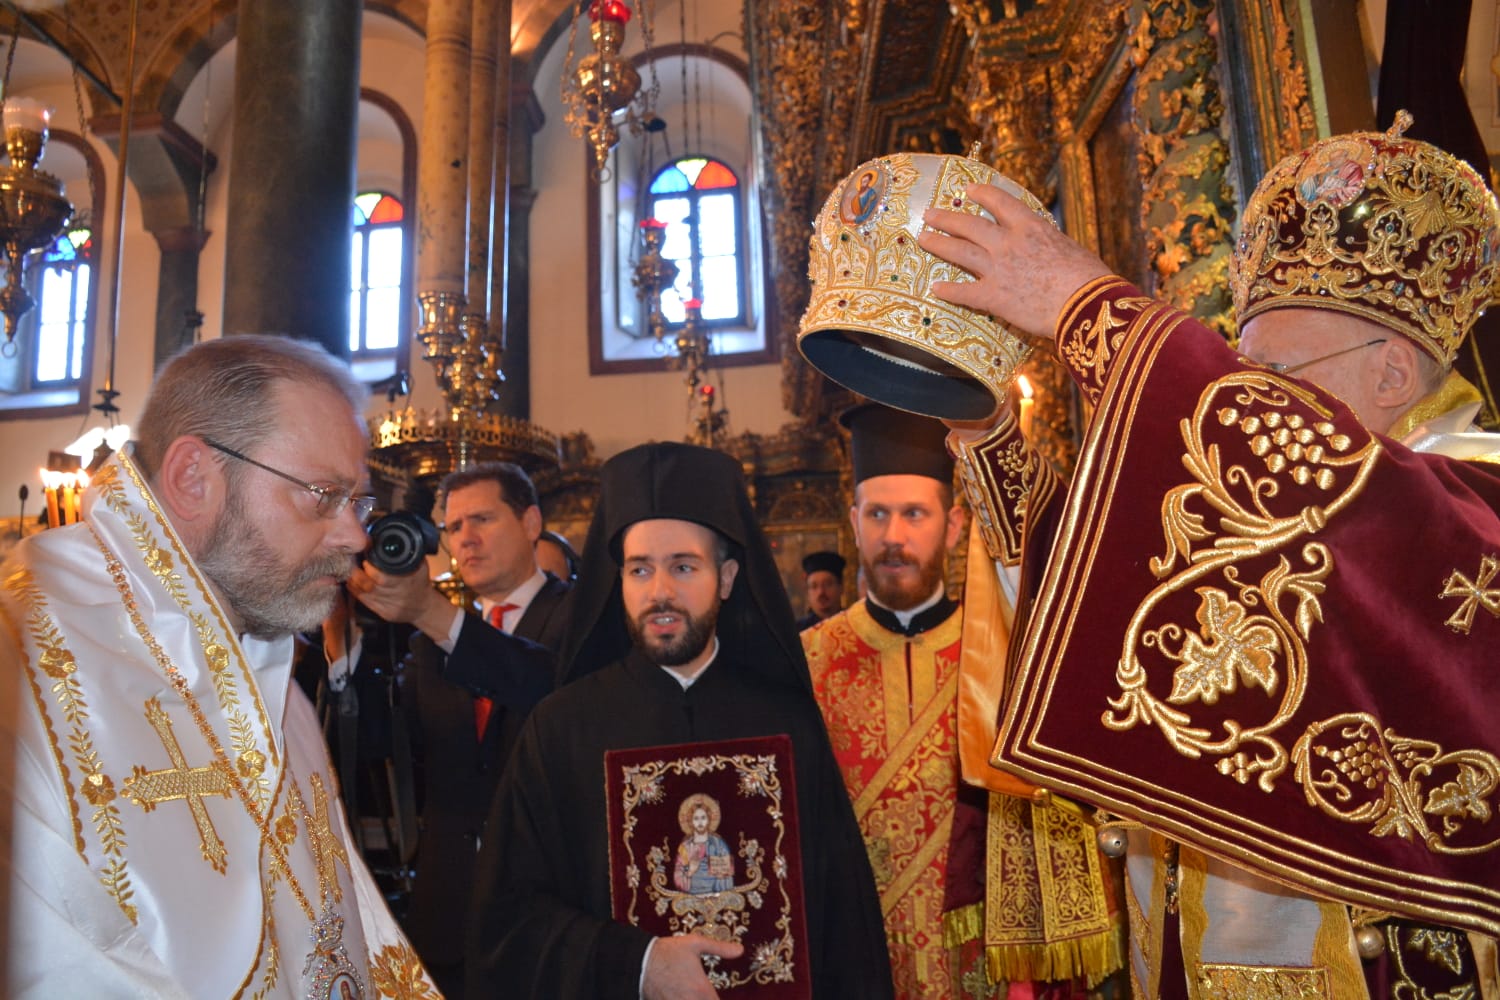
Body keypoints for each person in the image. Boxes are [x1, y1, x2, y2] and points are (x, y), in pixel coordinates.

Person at [916, 117, 1500, 995]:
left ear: (1389, 374)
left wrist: (1089, 309)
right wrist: (985, 429)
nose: (1249, 407)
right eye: (1242, 373)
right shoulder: (1282, 509)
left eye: (1274, 380)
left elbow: (1370, 532)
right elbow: (1099, 591)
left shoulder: (1471, 503)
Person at [0, 335, 435, 996]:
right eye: (322, 495)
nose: (355, 535)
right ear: (192, 479)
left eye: (359, 503)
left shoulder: (271, 687)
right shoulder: (22, 661)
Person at [466, 441, 893, 998]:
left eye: (683, 566)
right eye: (639, 569)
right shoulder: (560, 729)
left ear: (729, 576)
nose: (660, 592)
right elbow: (509, 923)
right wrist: (637, 963)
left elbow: (843, 924)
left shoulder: (787, 722)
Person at [802, 403, 1122, 998]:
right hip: (852, 959)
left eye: (913, 514)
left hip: (985, 968)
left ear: (952, 526)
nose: (893, 536)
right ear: (854, 523)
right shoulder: (807, 661)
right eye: (878, 514)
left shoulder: (1002, 652)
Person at [343, 461, 567, 997]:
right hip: (448, 916)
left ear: (531, 522)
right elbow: (388, 747)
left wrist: (428, 611)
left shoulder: (580, 618)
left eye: (482, 519)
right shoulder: (431, 641)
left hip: (547, 916)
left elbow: (548, 691)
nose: (465, 539)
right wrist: (342, 645)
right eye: (454, 527)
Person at [794, 549, 845, 630]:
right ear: (808, 592)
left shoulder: (853, 625)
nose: (821, 592)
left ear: (841, 587)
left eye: (828, 584)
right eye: (814, 586)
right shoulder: (798, 631)